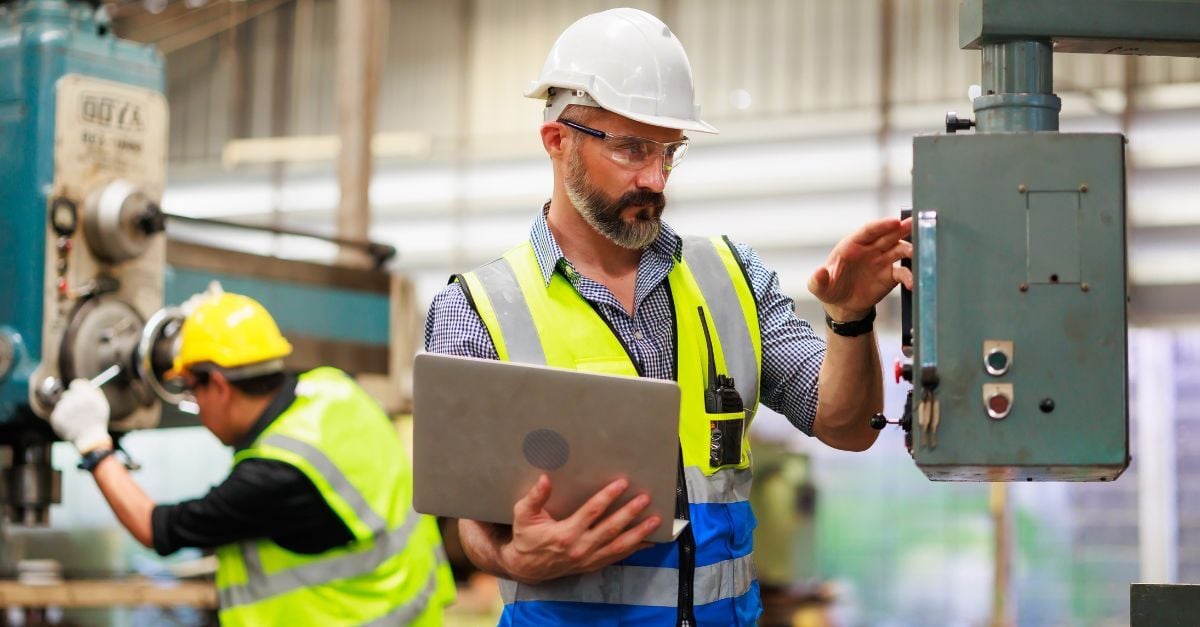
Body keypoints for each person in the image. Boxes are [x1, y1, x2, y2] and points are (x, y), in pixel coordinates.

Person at [424, 7, 911, 625]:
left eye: (669, 151)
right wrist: (515, 558)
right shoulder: (477, 308)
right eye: (631, 148)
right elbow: (468, 520)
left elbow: (847, 426)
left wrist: (849, 317)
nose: (655, 179)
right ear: (557, 141)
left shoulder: (733, 278)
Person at [50, 289, 455, 626]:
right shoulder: (335, 390)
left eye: (192, 390)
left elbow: (157, 529)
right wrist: (210, 328)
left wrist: (93, 445)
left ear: (221, 387)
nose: (195, 406)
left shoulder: (275, 475)